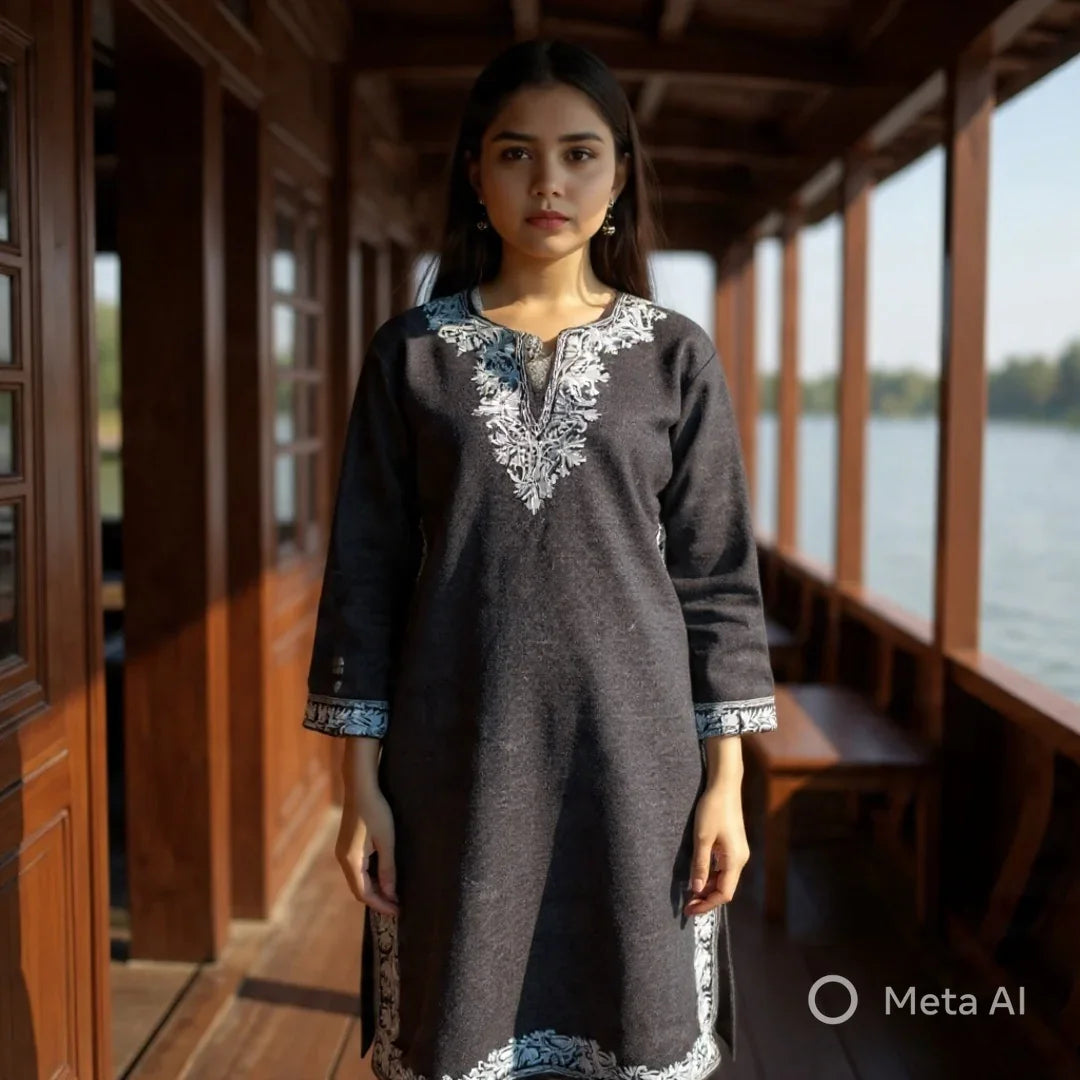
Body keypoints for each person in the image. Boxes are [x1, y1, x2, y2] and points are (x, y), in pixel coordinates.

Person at [302, 36, 778, 1080]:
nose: (549, 181)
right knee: (456, 1027)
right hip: (454, 759)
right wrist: (359, 787)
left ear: (619, 177)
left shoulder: (674, 355)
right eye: (517, 154)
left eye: (579, 154)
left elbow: (716, 583)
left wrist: (724, 782)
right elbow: (366, 581)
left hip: (636, 767)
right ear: (475, 173)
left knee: (633, 1028)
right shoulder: (412, 354)